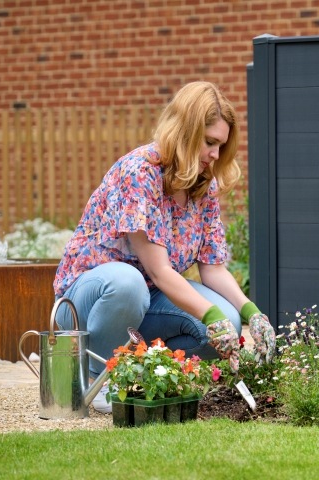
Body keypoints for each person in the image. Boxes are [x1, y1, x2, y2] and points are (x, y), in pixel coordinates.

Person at [52, 81, 276, 412]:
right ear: (185, 132)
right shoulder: (141, 170)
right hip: (88, 301)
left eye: (221, 146)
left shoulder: (204, 185)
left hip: (148, 298)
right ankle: (98, 378)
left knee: (226, 318)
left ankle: (145, 373)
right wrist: (209, 315)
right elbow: (158, 270)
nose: (215, 154)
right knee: (127, 282)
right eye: (210, 143)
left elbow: (212, 268)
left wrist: (250, 313)